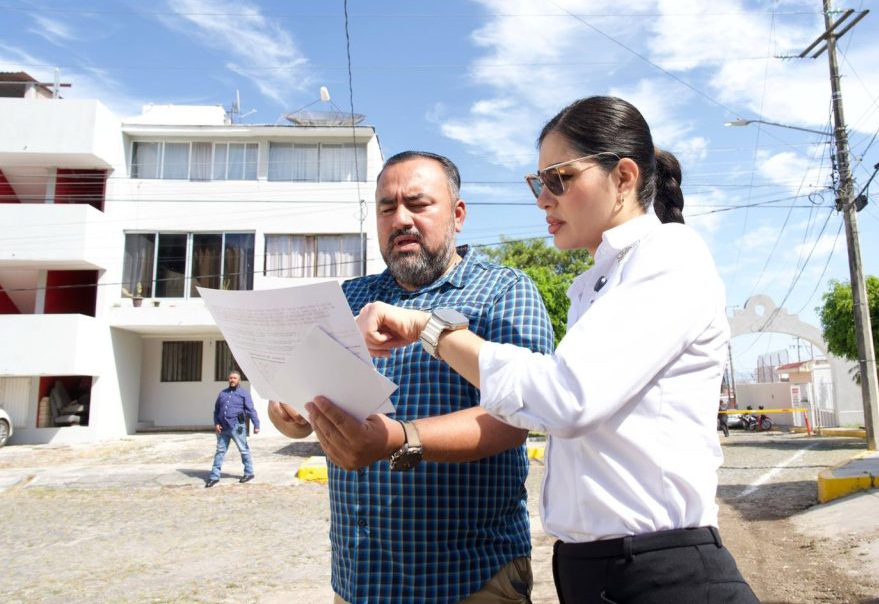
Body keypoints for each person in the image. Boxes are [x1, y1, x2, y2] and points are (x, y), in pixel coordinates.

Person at [357, 97, 760, 603]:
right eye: (538, 183)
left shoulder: (669, 255)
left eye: (559, 179)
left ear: (623, 177)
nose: (543, 200)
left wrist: (430, 328)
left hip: (662, 571)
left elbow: (563, 396)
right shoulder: (598, 282)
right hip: (601, 570)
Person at [269, 151, 554, 604]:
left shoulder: (504, 291)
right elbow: (294, 416)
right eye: (387, 208)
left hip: (471, 578)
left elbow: (518, 417)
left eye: (418, 204)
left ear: (458, 214)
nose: (400, 219)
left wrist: (397, 440)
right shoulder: (349, 297)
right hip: (359, 579)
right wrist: (289, 408)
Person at [206, 370, 259, 487]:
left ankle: (249, 473)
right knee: (220, 452)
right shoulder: (222, 393)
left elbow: (251, 410)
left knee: (243, 450)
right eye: (231, 378)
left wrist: (256, 425)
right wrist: (216, 423)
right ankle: (214, 476)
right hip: (222, 428)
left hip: (237, 427)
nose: (232, 380)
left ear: (239, 380)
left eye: (235, 378)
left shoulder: (244, 393)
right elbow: (216, 411)